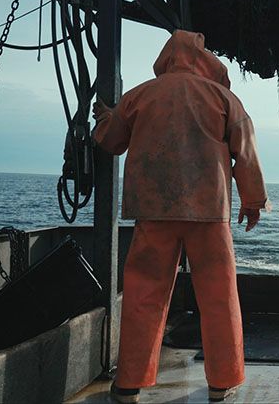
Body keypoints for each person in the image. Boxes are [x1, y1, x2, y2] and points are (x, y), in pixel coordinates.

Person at [92, 30, 269, 403]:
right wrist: (252, 201)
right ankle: (222, 383)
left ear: (167, 58)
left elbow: (111, 140)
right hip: (209, 211)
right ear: (204, 61)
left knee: (144, 294)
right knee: (219, 296)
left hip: (155, 211)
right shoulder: (224, 97)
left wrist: (104, 116)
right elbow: (246, 149)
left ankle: (128, 386)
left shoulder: (141, 95)